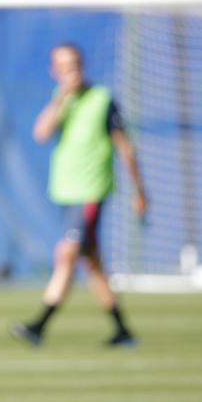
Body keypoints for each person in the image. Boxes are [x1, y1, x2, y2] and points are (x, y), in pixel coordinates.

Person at [11, 43, 147, 347]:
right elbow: (41, 132)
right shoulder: (60, 101)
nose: (72, 71)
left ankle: (39, 325)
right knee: (92, 262)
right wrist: (62, 98)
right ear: (54, 71)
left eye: (75, 64)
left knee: (67, 252)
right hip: (66, 192)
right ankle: (122, 330)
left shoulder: (102, 99)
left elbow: (125, 148)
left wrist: (140, 190)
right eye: (64, 66)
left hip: (91, 191)